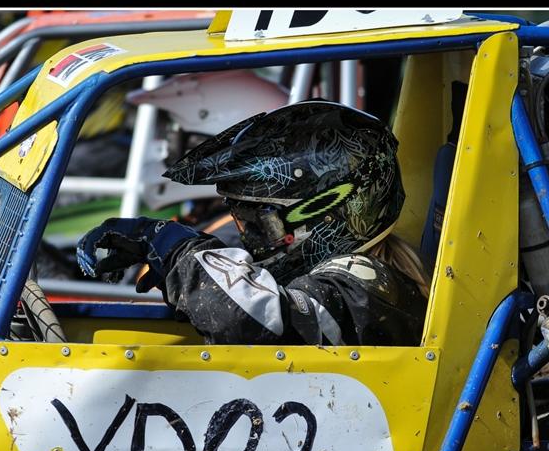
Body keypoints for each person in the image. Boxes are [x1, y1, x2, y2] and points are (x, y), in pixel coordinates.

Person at [77, 100, 430, 346]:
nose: (251, 240)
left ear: (328, 209)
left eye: (262, 224)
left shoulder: (368, 286)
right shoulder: (341, 280)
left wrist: (177, 250)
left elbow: (250, 321)